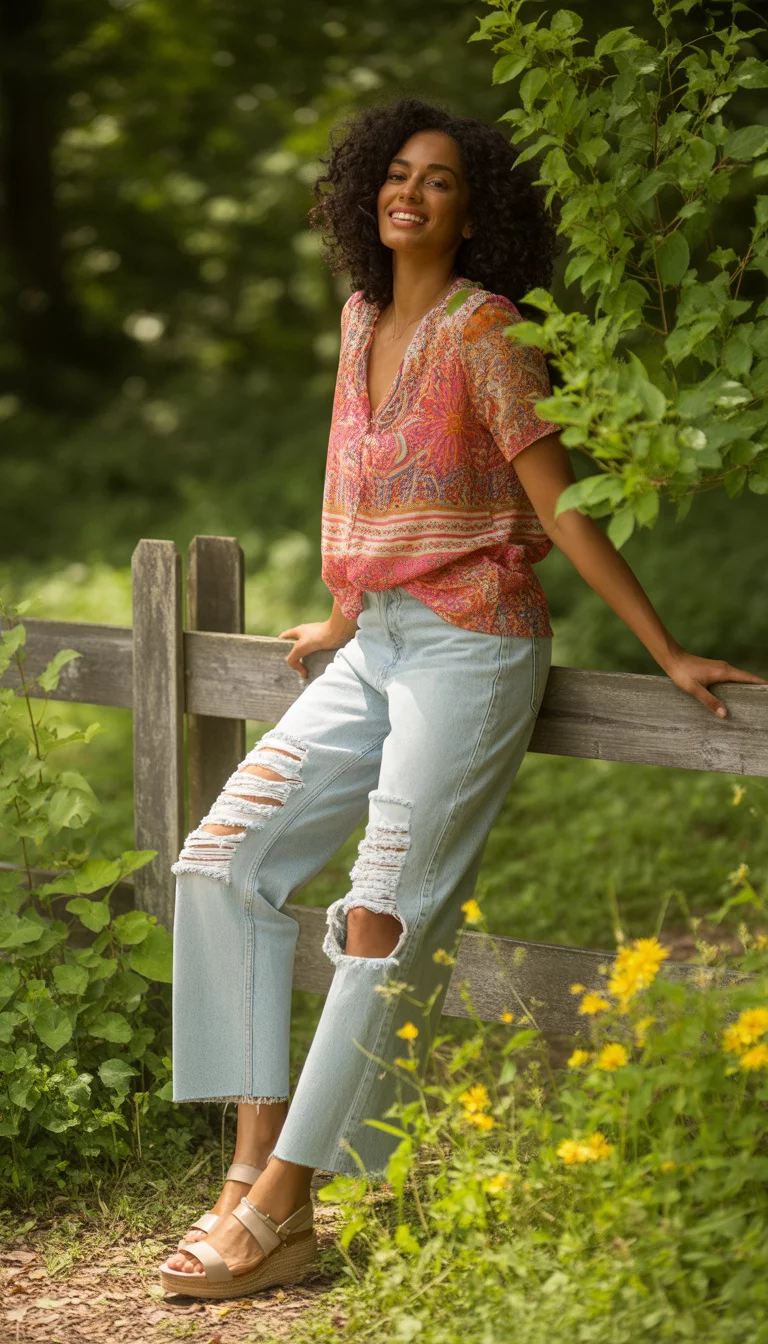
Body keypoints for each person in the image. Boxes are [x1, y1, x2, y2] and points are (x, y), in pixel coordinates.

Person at [159, 98, 765, 1299]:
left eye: (439, 180)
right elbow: (356, 476)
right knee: (220, 861)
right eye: (394, 174)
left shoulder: (490, 331)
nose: (412, 193)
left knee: (384, 911)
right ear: (363, 197)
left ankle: (286, 1201)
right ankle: (244, 1182)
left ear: (473, 206)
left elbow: (560, 506)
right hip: (376, 641)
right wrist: (341, 610)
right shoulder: (360, 316)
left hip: (472, 649)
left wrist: (665, 649)